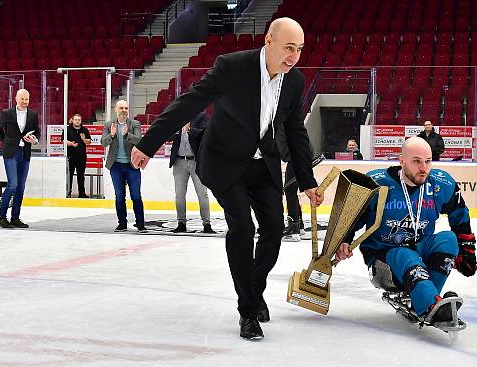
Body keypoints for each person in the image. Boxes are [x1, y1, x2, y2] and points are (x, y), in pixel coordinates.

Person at [130, 17, 322, 340]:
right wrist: (148, 143)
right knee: (243, 228)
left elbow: (294, 130)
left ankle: (253, 288)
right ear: (269, 41)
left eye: (300, 50)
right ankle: (247, 311)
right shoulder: (232, 67)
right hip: (225, 163)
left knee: (275, 230)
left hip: (263, 164)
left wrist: (307, 180)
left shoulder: (294, 81)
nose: (294, 56)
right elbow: (188, 104)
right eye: (289, 48)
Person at [334, 137, 477, 325]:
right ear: (402, 161)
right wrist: (343, 241)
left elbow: (459, 214)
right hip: (385, 259)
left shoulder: (440, 184)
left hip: (420, 251)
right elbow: (351, 219)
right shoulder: (376, 182)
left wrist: (466, 248)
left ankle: (430, 299)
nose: (424, 168)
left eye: (428, 161)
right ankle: (429, 306)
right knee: (404, 255)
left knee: (448, 239)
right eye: (417, 161)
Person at [0, 89, 39, 228]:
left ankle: (15, 217)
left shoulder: (33, 114)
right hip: (11, 153)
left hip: (25, 153)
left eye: (27, 99)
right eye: (22, 99)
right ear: (16, 99)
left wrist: (33, 139)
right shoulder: (6, 113)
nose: (25, 102)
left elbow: (36, 131)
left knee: (20, 187)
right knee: (12, 185)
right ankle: (2, 217)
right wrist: (7, 142)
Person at [101, 100, 146, 233]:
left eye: (126, 108)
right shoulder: (109, 125)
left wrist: (127, 134)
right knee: (119, 196)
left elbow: (139, 140)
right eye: (121, 108)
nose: (124, 110)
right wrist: (112, 134)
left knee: (136, 196)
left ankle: (140, 223)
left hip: (132, 165)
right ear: (116, 109)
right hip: (115, 166)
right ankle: (122, 223)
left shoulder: (135, 124)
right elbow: (103, 143)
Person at [169, 112, 214, 233]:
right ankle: (181, 223)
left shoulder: (201, 116)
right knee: (179, 195)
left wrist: (190, 130)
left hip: (196, 162)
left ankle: (207, 224)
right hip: (179, 162)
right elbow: (168, 136)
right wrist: (178, 131)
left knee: (202, 193)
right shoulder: (177, 117)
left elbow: (204, 134)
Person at [66, 113, 91, 198]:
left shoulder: (84, 130)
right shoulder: (67, 129)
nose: (77, 121)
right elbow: (63, 141)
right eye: (76, 120)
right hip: (70, 157)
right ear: (72, 120)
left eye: (79, 120)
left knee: (81, 175)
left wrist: (84, 139)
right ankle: (68, 193)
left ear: (81, 121)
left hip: (81, 157)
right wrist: (71, 144)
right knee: (69, 175)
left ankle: (82, 193)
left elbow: (89, 142)